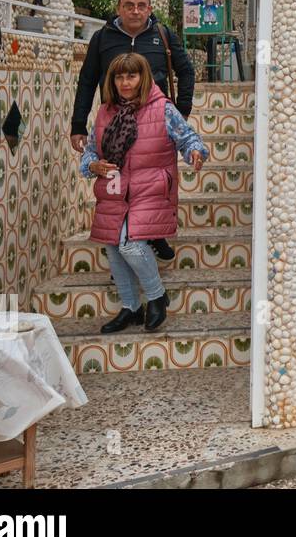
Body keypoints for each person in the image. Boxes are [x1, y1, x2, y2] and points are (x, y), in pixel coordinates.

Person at [81, 53, 208, 334]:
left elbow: (187, 138)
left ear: (143, 77)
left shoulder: (162, 108)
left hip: (150, 188)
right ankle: (130, 307)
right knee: (114, 246)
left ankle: (156, 295)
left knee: (129, 244)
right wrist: (92, 164)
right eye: (119, 76)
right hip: (114, 187)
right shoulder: (105, 112)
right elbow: (91, 149)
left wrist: (195, 153)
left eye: (132, 75)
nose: (125, 82)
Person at [70, 0, 195, 261]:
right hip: (116, 126)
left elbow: (186, 70)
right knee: (119, 184)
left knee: (153, 183)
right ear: (119, 9)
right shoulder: (103, 38)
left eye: (141, 5)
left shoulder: (162, 35)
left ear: (149, 9)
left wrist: (181, 110)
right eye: (129, 5)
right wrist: (78, 124)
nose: (135, 11)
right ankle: (122, 242)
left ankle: (155, 232)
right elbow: (87, 80)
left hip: (155, 126)